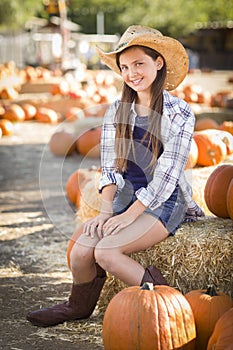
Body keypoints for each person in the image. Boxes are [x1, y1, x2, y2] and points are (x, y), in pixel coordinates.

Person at [27, 25, 204, 327]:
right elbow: (110, 167)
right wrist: (107, 210)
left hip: (164, 201)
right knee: (83, 251)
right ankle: (77, 307)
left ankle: (169, 302)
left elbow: (167, 175)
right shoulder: (117, 111)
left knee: (107, 253)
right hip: (126, 194)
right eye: (125, 67)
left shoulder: (180, 113)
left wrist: (130, 215)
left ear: (158, 62)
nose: (132, 73)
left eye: (139, 64)